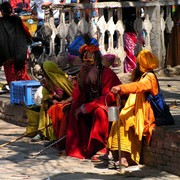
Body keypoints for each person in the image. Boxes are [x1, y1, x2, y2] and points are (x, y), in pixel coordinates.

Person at [65, 34, 122, 160]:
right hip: (91, 104)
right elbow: (80, 93)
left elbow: (108, 98)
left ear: (96, 62)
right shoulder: (85, 72)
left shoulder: (107, 74)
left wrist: (87, 107)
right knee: (74, 107)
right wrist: (80, 81)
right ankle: (80, 147)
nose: (87, 66)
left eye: (90, 63)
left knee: (99, 112)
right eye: (85, 63)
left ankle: (101, 148)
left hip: (109, 106)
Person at [107, 49, 159, 168]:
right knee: (119, 119)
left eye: (138, 63)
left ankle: (126, 158)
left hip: (146, 113)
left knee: (127, 121)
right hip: (136, 109)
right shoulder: (142, 76)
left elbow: (138, 87)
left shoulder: (149, 77)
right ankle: (114, 154)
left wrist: (121, 88)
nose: (137, 65)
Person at [31, 60, 74, 142]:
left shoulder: (60, 79)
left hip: (66, 102)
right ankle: (43, 132)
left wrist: (50, 89)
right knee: (45, 104)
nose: (43, 73)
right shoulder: (48, 80)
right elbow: (46, 94)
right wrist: (50, 97)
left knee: (54, 108)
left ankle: (53, 134)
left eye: (44, 71)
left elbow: (64, 95)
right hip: (55, 100)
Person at [0, 2, 31, 86]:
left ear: (2, 11)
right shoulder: (17, 19)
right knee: (23, 79)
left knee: (12, 82)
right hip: (20, 55)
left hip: (8, 58)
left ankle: (17, 98)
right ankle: (26, 97)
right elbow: (27, 34)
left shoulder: (0, 23)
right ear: (11, 10)